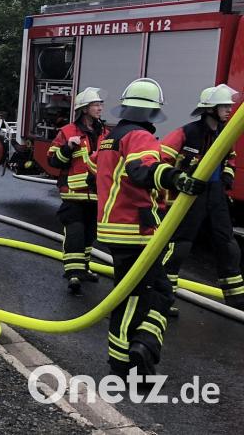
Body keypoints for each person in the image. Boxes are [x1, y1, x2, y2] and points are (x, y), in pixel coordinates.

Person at [96, 78, 205, 376]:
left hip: (114, 227)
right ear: (152, 111)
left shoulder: (110, 137)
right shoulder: (140, 136)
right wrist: (176, 178)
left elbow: (104, 172)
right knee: (143, 295)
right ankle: (136, 355)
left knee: (145, 292)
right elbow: (141, 170)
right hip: (134, 228)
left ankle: (129, 356)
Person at [161, 84, 244, 313]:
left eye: (229, 106)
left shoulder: (225, 133)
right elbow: (161, 157)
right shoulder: (187, 133)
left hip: (215, 194)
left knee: (228, 245)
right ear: (210, 109)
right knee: (180, 245)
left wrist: (227, 177)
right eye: (224, 106)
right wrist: (178, 178)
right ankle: (163, 297)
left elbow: (230, 158)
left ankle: (237, 300)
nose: (229, 110)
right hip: (190, 195)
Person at [47, 87, 108, 295]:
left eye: (100, 104)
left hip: (96, 194)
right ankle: (73, 273)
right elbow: (53, 160)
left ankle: (84, 267)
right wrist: (67, 148)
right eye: (95, 105)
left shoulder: (105, 133)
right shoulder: (68, 132)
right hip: (73, 194)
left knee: (90, 235)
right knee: (75, 232)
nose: (100, 108)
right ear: (84, 109)